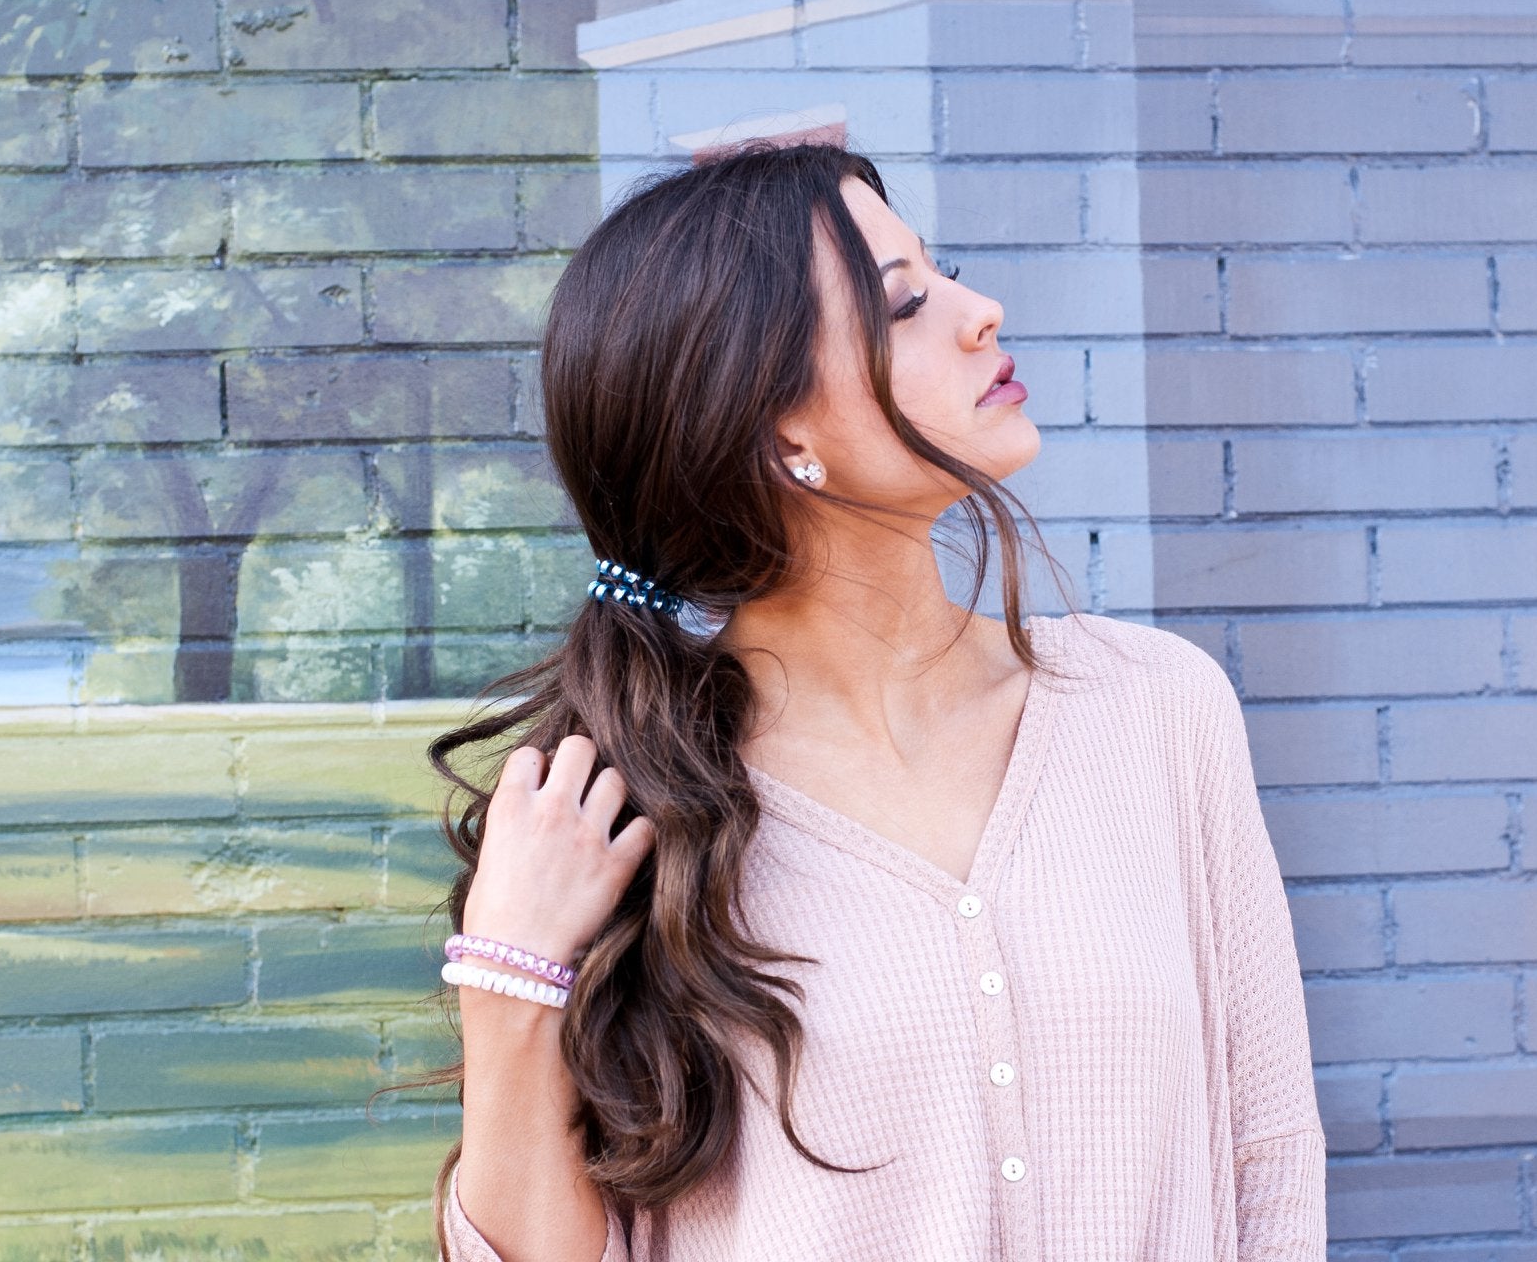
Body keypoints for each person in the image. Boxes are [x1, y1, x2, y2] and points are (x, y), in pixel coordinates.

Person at [419, 141, 1326, 1261]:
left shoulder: (1154, 709)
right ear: (778, 433)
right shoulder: (629, 813)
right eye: (903, 305)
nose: (982, 313)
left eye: (946, 276)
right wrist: (509, 981)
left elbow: (1268, 1160)